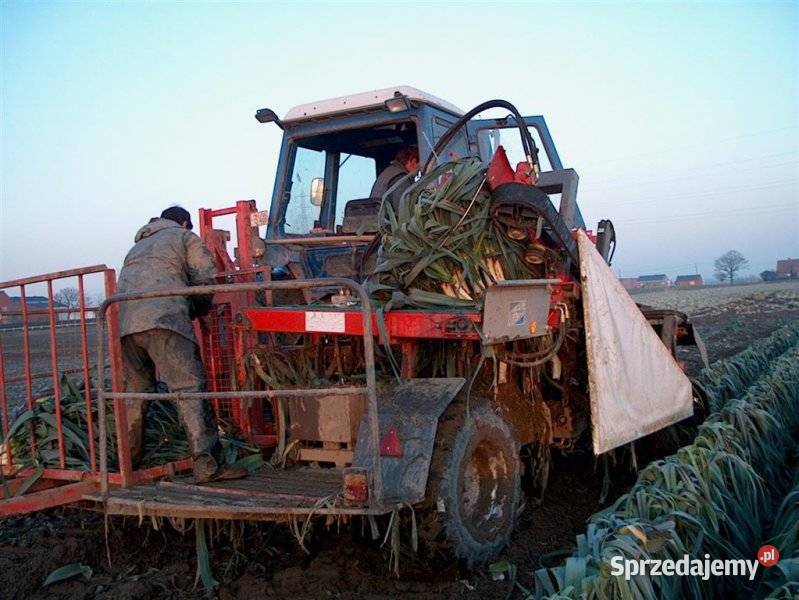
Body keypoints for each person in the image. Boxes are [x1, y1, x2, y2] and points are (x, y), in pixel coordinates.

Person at [117, 206, 247, 483]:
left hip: (126, 327)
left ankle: (127, 466)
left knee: (135, 395)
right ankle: (208, 467)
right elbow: (203, 278)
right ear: (185, 222)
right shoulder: (184, 237)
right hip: (165, 320)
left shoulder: (137, 248)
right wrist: (199, 311)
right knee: (190, 390)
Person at [369, 145, 420, 210]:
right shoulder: (401, 178)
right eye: (418, 168)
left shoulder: (388, 172)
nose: (418, 172)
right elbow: (403, 210)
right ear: (413, 161)